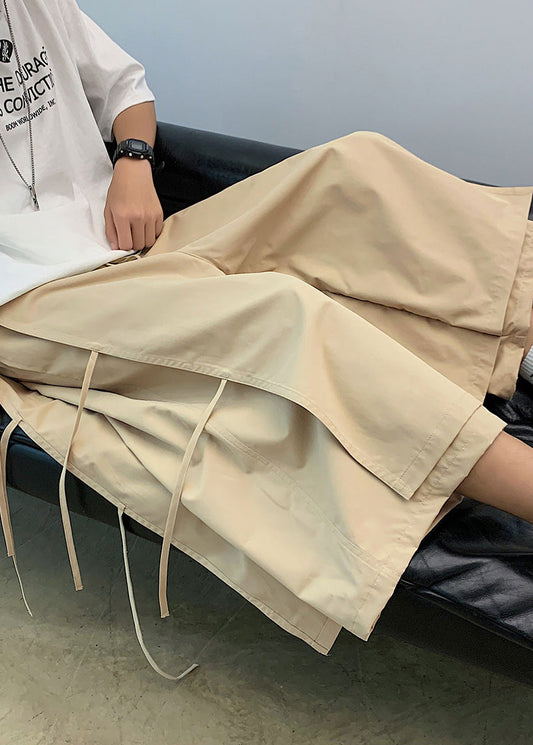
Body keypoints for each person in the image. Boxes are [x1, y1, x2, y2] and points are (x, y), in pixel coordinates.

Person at [0, 0, 532, 681]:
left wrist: (132, 161)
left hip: (128, 239)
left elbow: (125, 89)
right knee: (286, 316)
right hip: (29, 300)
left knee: (354, 166)